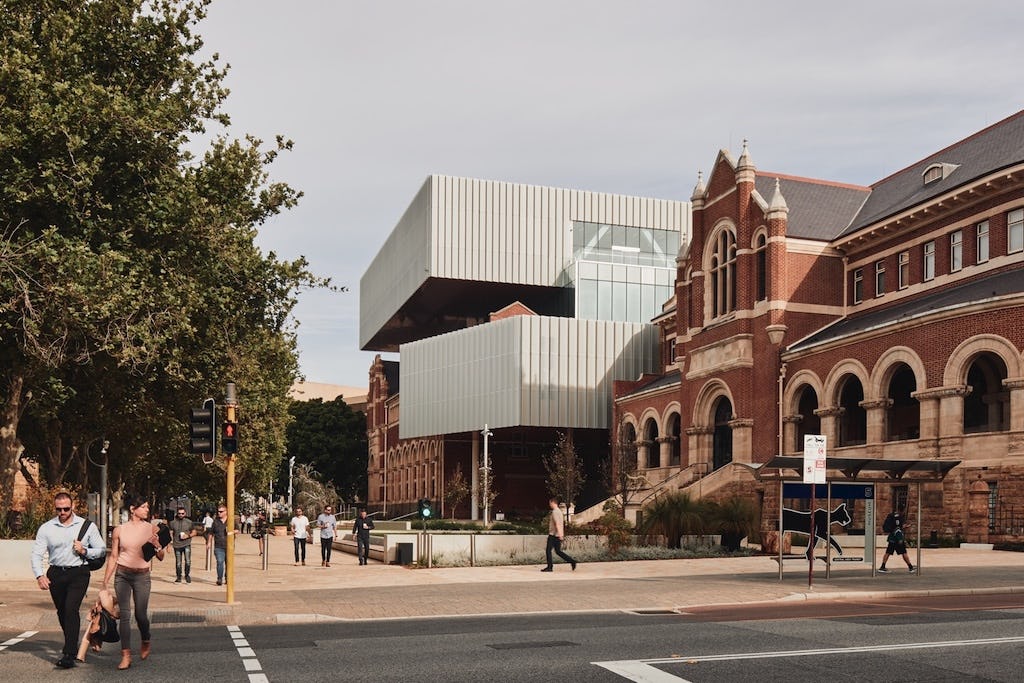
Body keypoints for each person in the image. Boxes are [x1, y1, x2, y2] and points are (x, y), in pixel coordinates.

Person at [30, 491, 106, 669]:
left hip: (78, 573)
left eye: (66, 508)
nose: (62, 512)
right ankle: (71, 642)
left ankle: (69, 653)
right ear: (55, 508)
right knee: (62, 612)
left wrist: (85, 551)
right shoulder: (47, 528)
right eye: (59, 509)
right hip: (56, 573)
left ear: (73, 507)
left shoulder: (87, 526)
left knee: (71, 609)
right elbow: (37, 554)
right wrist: (39, 575)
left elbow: (101, 549)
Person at [102, 496, 166, 670]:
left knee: (140, 614)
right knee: (124, 614)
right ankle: (126, 655)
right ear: (132, 509)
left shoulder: (152, 528)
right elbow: (114, 556)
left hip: (142, 576)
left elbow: (161, 557)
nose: (146, 510)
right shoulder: (119, 530)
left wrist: (157, 545)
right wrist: (105, 581)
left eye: (147, 507)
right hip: (122, 574)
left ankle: (146, 638)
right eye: (143, 507)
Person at [75, 587, 119, 663]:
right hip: (101, 613)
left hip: (102, 614)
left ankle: (82, 654)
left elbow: (117, 612)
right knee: (93, 632)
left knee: (92, 633)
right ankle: (84, 653)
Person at [541, 497, 577, 572]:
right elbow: (561, 524)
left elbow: (557, 524)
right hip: (557, 534)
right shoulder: (559, 512)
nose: (549, 504)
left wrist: (560, 534)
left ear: (552, 503)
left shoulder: (555, 512)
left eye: (550, 503)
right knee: (558, 551)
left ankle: (550, 567)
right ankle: (572, 561)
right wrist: (561, 534)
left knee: (548, 550)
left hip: (553, 535)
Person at [879, 509, 915, 573]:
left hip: (892, 539)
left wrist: (904, 527)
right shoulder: (898, 518)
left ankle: (882, 566)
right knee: (904, 553)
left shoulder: (893, 517)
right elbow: (898, 528)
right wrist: (901, 539)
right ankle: (910, 567)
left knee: (888, 552)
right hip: (898, 539)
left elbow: (897, 527)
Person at [167, 506, 196, 583]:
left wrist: (188, 536)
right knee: (178, 562)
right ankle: (178, 577)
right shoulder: (172, 523)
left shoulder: (189, 522)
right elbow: (170, 534)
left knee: (188, 561)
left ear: (185, 513)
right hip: (176, 545)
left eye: (182, 513)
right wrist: (168, 545)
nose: (181, 515)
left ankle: (187, 575)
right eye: (179, 513)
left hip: (186, 544)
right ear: (177, 513)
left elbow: (194, 532)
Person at [211, 505, 229, 585]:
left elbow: (237, 530)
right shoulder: (215, 521)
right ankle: (219, 578)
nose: (219, 513)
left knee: (228, 563)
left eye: (221, 511)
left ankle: (228, 578)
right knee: (220, 561)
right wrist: (208, 542)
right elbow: (211, 533)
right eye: (218, 511)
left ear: (226, 512)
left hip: (229, 546)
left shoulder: (230, 520)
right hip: (218, 546)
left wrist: (231, 531)